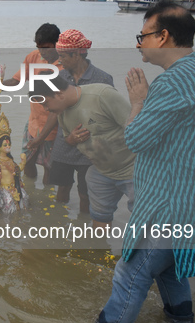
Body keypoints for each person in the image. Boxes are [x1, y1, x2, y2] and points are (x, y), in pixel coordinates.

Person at [95, 0, 195, 323]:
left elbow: (137, 139)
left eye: (142, 35)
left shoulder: (172, 83)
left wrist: (138, 101)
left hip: (175, 208)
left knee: (131, 271)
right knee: (169, 269)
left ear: (163, 36)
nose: (139, 43)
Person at [31, 76, 135, 228]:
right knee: (99, 218)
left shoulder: (102, 95)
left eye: (46, 104)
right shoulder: (63, 112)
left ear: (59, 94)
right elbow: (67, 139)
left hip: (132, 170)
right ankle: (100, 248)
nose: (46, 109)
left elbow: (137, 128)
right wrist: (72, 139)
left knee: (147, 218)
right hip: (101, 172)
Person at [48, 29, 113, 214]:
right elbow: (54, 110)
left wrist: (87, 130)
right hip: (64, 142)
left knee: (86, 193)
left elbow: (108, 117)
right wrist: (42, 138)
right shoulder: (59, 77)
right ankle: (58, 225)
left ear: (76, 54)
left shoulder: (103, 79)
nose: (59, 61)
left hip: (90, 146)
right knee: (61, 187)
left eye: (62, 56)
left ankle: (84, 231)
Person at [2, 23, 62, 183]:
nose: (42, 52)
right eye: (39, 47)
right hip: (33, 124)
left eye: (46, 48)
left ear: (58, 44)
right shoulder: (33, 57)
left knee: (49, 169)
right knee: (25, 162)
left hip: (54, 128)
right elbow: (16, 80)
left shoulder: (64, 67)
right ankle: (31, 190)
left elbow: (57, 111)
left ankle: (47, 197)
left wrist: (42, 138)